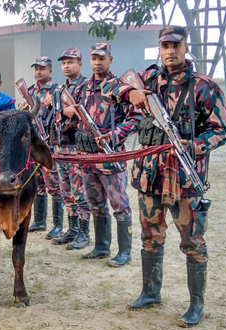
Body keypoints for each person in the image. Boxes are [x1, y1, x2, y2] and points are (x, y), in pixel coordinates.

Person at [103, 26, 226, 327]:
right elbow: (108, 90)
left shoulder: (203, 87)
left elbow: (223, 130)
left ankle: (195, 306)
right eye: (165, 45)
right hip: (150, 176)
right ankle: (150, 292)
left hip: (186, 178)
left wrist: (195, 145)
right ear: (159, 48)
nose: (170, 51)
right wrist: (131, 92)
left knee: (193, 242)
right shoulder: (149, 79)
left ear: (186, 47)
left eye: (176, 45)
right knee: (151, 236)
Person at [74, 43, 139, 267]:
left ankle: (124, 252)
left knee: (119, 204)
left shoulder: (119, 87)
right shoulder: (83, 88)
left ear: (110, 59)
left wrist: (115, 134)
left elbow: (135, 117)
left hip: (110, 157)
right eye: (94, 58)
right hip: (87, 157)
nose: (97, 62)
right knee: (95, 203)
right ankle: (101, 246)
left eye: (102, 58)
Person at [50, 47, 92, 250]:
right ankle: (73, 229)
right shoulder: (58, 89)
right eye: (64, 62)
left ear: (80, 64)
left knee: (80, 192)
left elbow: (86, 112)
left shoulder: (86, 86)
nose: (67, 66)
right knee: (66, 190)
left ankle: (84, 233)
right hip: (60, 146)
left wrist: (69, 112)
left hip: (77, 147)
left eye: (71, 62)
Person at [24, 57, 64, 240]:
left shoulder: (58, 90)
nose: (39, 72)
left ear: (50, 69)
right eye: (36, 68)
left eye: (42, 68)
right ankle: (39, 221)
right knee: (38, 182)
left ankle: (58, 225)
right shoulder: (30, 91)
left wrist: (50, 105)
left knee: (54, 184)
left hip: (51, 142)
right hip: (34, 143)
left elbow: (61, 113)